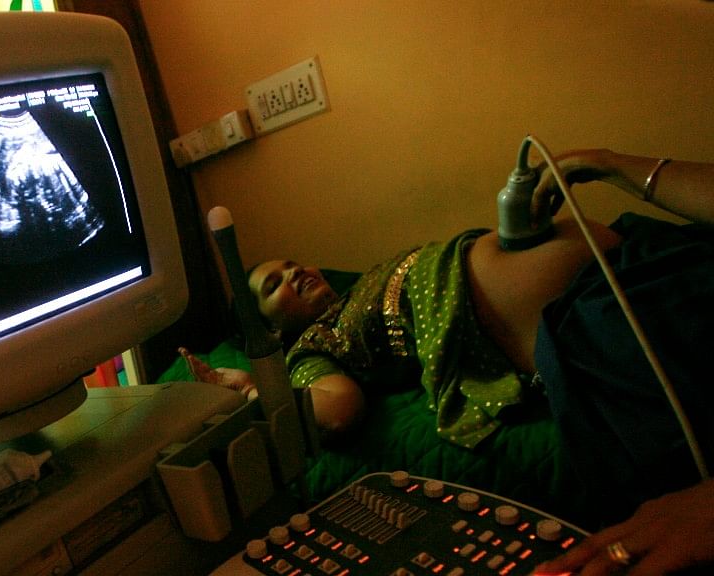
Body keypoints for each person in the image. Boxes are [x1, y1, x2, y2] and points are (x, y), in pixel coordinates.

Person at [187, 148, 714, 575]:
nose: (293, 274)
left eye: (290, 265)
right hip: (602, 312)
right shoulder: (312, 346)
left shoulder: (358, 286)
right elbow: (337, 410)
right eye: (273, 286)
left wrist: (603, 162)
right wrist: (255, 389)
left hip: (641, 253)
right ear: (273, 329)